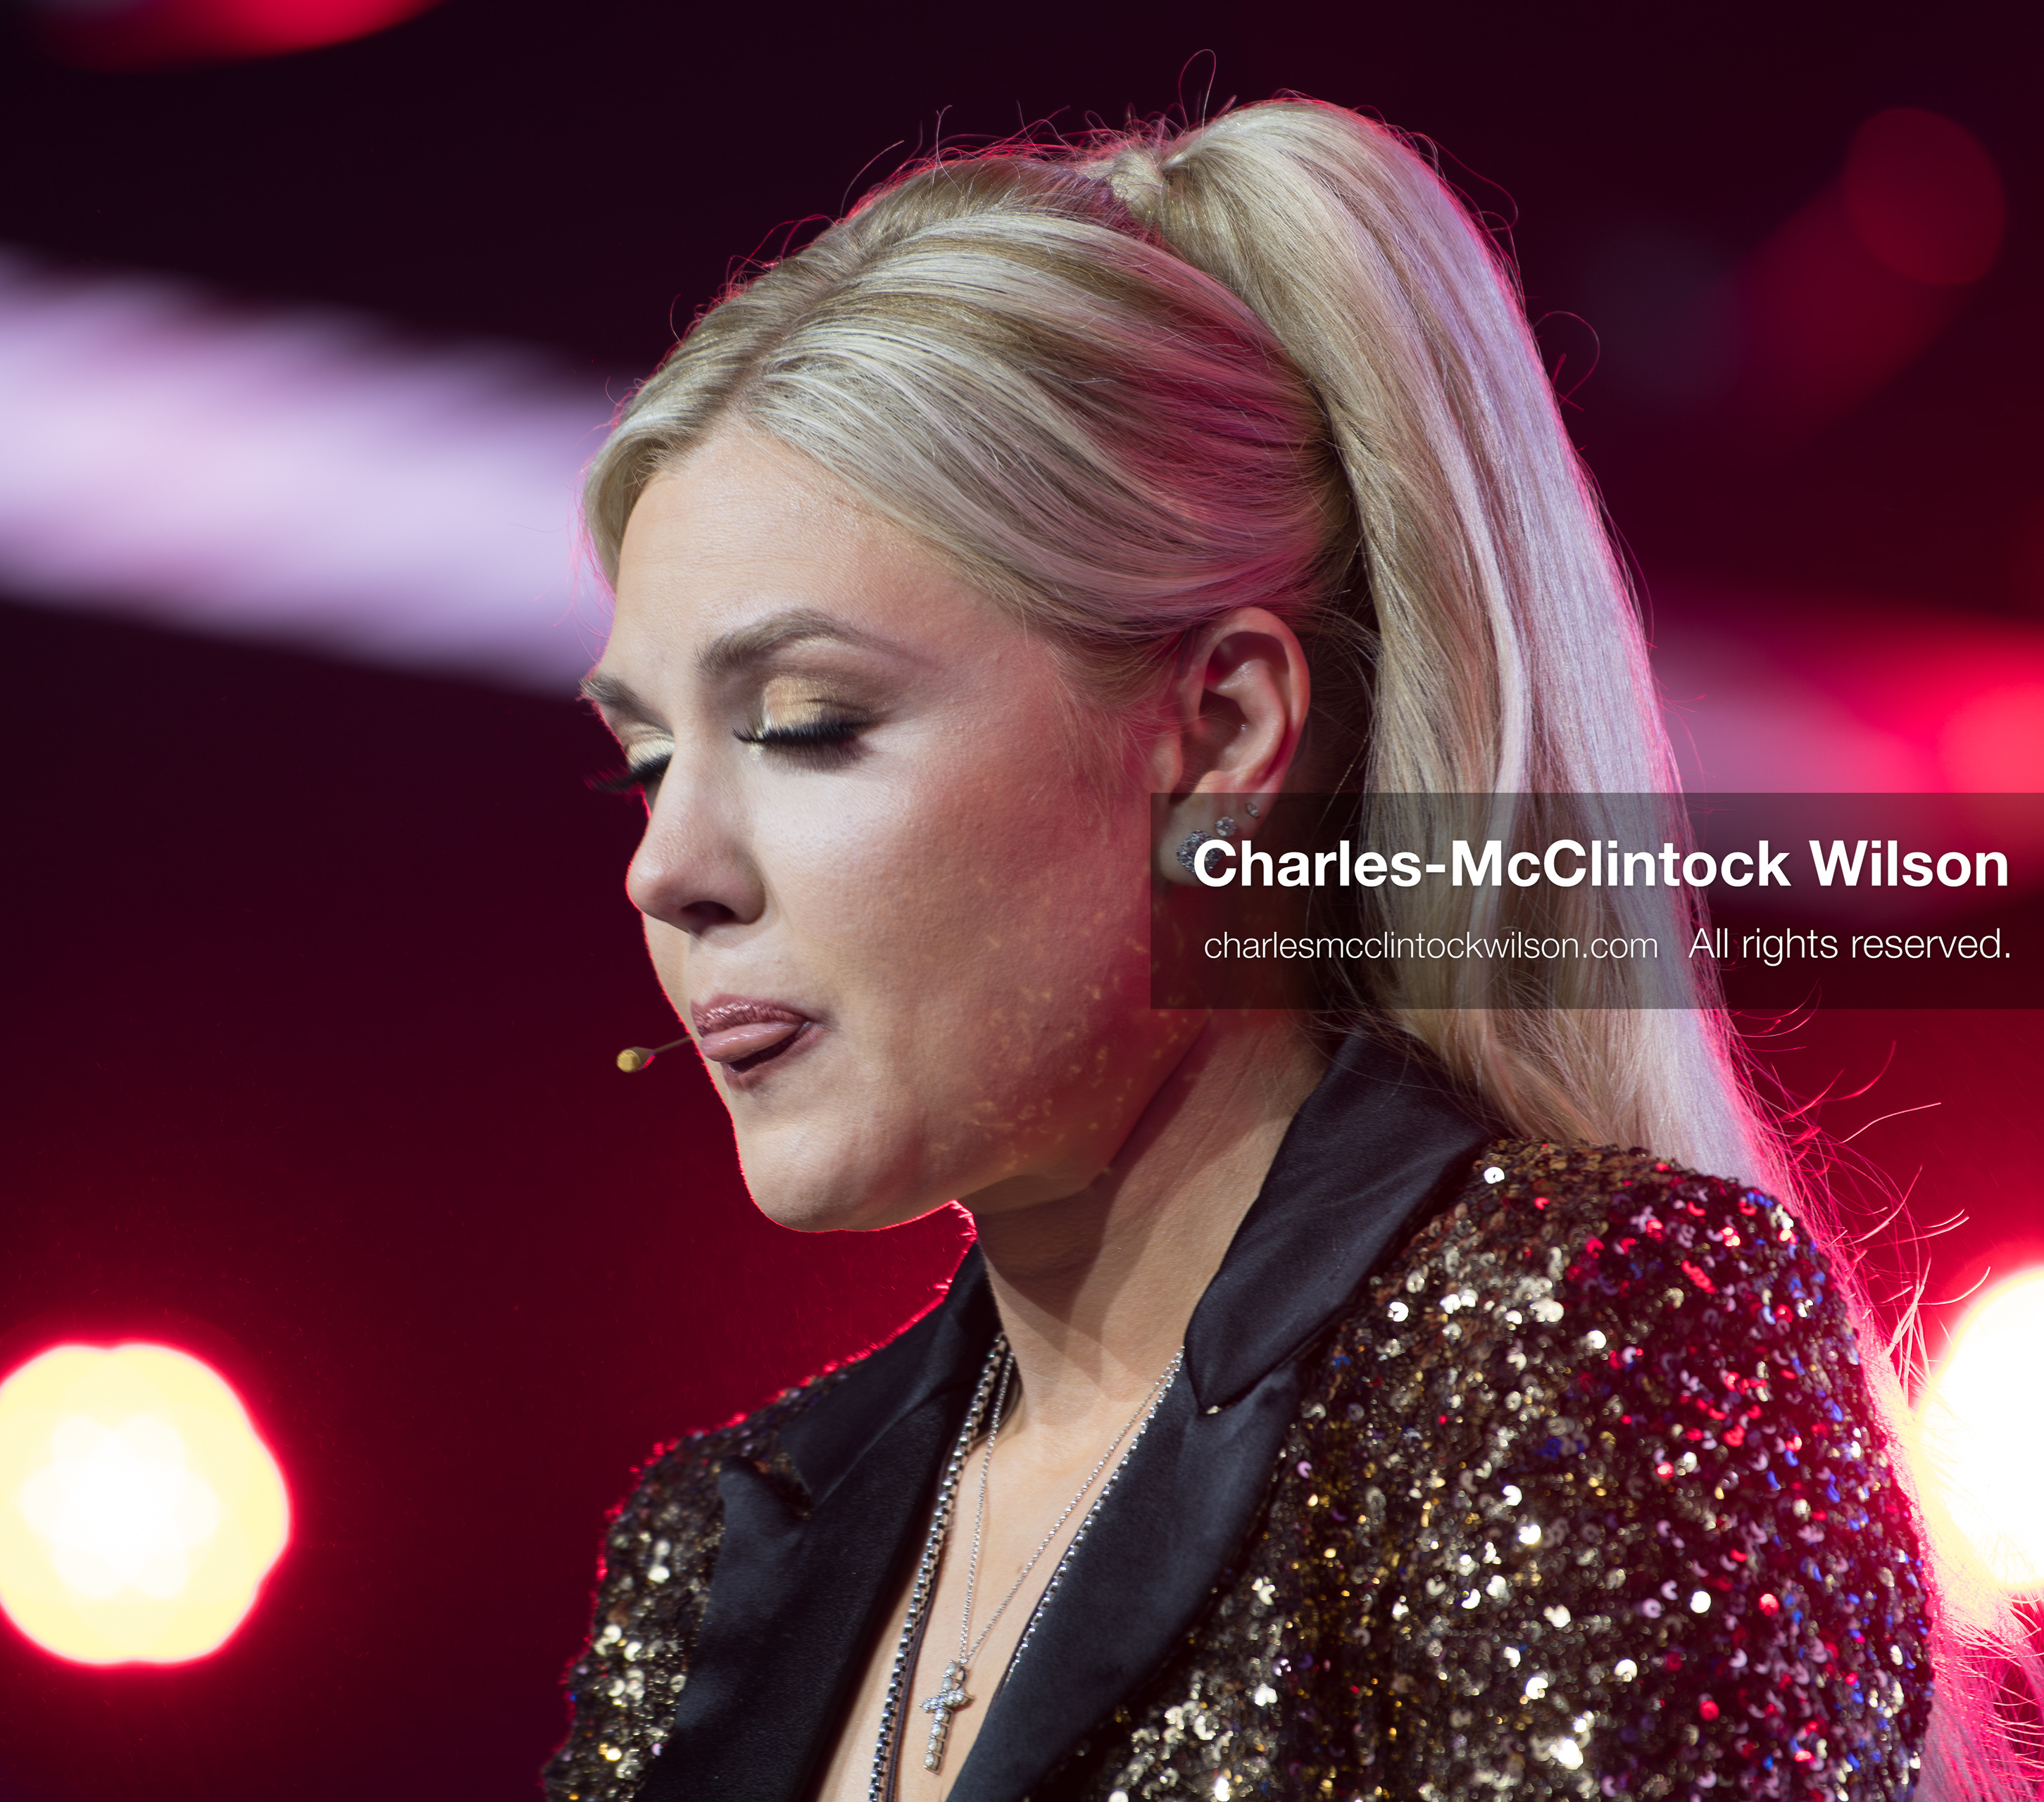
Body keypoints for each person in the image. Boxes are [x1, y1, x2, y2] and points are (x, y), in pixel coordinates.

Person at [545, 99, 2011, 1801]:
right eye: (646, 758)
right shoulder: (712, 1549)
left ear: (1222, 729)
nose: (669, 867)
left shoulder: (1557, 1353)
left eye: (805, 725)